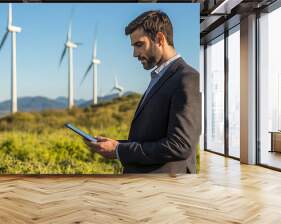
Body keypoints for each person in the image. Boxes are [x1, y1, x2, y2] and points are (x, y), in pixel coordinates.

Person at [84, 10, 201, 174]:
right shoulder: (160, 77)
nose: (134, 54)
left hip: (165, 188)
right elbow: (151, 137)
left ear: (160, 39)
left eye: (139, 45)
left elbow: (180, 145)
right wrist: (116, 145)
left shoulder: (187, 78)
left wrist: (119, 151)